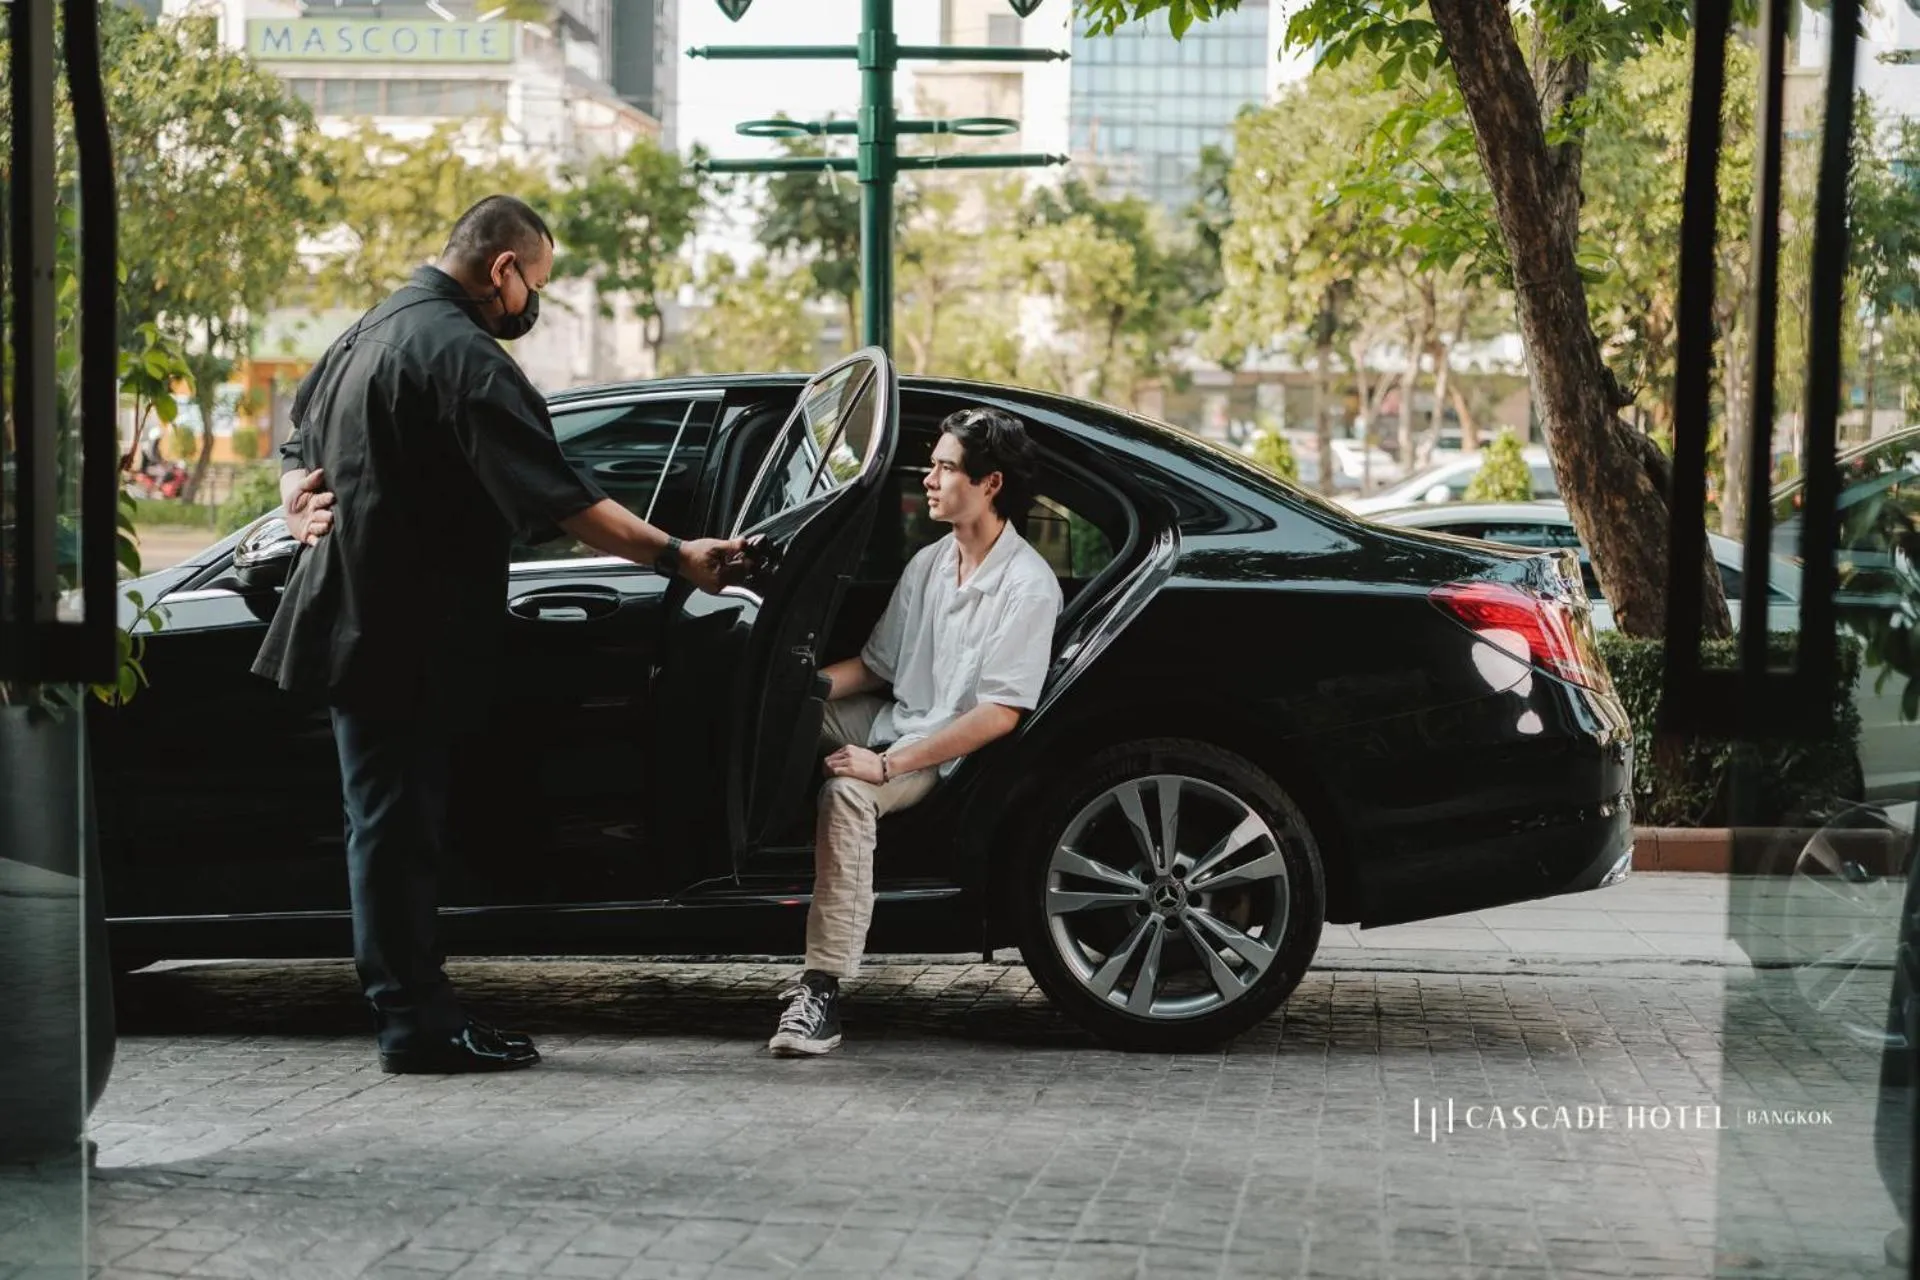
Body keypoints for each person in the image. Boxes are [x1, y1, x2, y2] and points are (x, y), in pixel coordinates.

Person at [255, 195, 744, 1075]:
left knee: (387, 829)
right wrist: (680, 556)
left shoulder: (373, 327)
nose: (533, 307)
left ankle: (419, 1013)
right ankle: (416, 1028)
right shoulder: (461, 357)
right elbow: (564, 502)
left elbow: (297, 435)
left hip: (355, 625)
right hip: (402, 636)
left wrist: (296, 492)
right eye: (536, 286)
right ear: (503, 270)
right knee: (395, 837)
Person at [769, 407, 1063, 1057]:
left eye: (945, 467)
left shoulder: (1027, 586)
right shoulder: (931, 563)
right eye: (932, 465)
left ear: (989, 484)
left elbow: (998, 714)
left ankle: (822, 990)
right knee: (777, 715)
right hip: (892, 718)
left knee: (845, 796)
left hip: (936, 752)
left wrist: (886, 767)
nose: (928, 478)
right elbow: (877, 667)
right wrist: (789, 687)